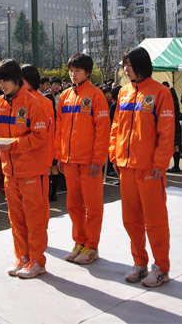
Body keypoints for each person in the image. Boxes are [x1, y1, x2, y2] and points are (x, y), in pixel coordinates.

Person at [0, 59, 50, 279]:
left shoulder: (34, 103)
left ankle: (38, 260)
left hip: (32, 172)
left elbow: (40, 137)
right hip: (10, 171)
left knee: (34, 219)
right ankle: (23, 256)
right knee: (16, 218)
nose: (2, 85)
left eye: (5, 80)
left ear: (18, 79)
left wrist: (12, 145)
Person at [109, 47, 175, 287]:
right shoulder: (124, 93)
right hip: (126, 168)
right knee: (131, 219)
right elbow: (116, 127)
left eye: (129, 65)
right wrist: (114, 156)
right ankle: (139, 263)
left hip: (149, 169)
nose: (126, 70)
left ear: (141, 65)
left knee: (155, 220)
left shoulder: (160, 93)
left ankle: (161, 267)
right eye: (124, 65)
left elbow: (166, 132)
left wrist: (160, 163)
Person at [55, 53, 110, 265]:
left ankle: (92, 246)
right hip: (69, 161)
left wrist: (98, 159)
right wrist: (59, 155)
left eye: (77, 71)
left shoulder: (96, 96)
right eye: (70, 70)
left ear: (87, 72)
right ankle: (80, 242)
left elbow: (103, 130)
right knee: (74, 205)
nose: (73, 74)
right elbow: (60, 129)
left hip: (89, 163)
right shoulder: (66, 96)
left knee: (93, 205)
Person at [21, 65, 57, 201]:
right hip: (21, 160)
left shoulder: (44, 103)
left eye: (22, 80)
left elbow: (49, 133)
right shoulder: (16, 101)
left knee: (37, 201)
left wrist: (48, 159)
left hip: (38, 160)